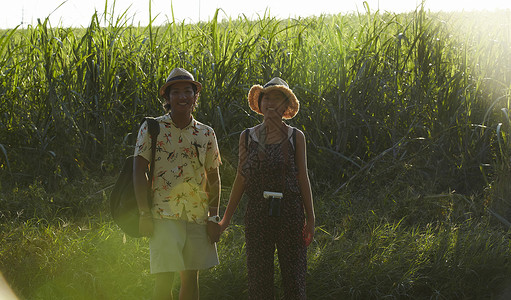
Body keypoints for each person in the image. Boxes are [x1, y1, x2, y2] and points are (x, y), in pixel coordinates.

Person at [219, 77, 315, 299]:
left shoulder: (295, 137)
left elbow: (303, 178)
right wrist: (225, 219)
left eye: (277, 99)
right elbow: (242, 177)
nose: (271, 103)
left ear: (286, 106)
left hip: (290, 212)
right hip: (258, 212)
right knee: (259, 277)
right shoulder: (247, 136)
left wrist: (310, 218)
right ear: (260, 104)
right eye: (266, 98)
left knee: (294, 277)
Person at [133, 67, 222, 300]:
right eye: (176, 92)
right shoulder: (152, 128)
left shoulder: (206, 133)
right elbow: (138, 171)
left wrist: (214, 217)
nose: (183, 97)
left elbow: (214, 178)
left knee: (190, 280)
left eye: (188, 92)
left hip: (197, 216)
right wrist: (144, 213)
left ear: (195, 97)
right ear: (167, 98)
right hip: (162, 215)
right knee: (164, 280)